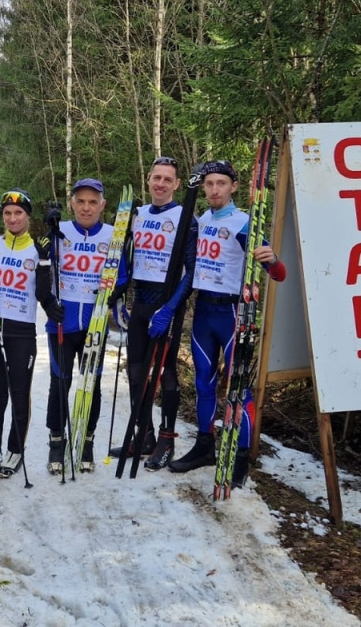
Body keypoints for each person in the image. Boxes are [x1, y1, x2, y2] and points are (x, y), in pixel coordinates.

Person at [167, 160, 285, 485]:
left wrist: (272, 261)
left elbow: (277, 273)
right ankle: (205, 447)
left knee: (238, 390)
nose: (215, 189)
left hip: (233, 313)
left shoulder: (243, 222)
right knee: (204, 384)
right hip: (203, 310)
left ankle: (241, 458)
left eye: (221, 183)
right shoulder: (202, 220)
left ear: (233, 187)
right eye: (209, 184)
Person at [0, 189, 64, 477]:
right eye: (8, 213)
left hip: (22, 330)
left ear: (27, 216)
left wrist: (47, 263)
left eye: (18, 213)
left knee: (19, 393)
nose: (13, 218)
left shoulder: (37, 248)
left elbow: (41, 292)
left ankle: (15, 450)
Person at [120, 156, 197, 471]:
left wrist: (169, 309)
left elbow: (192, 272)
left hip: (168, 303)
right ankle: (145, 436)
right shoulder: (136, 215)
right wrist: (117, 295)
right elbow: (123, 256)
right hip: (140, 301)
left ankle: (167, 441)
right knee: (135, 371)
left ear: (176, 184)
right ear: (148, 179)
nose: (161, 184)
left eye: (168, 179)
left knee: (165, 373)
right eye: (156, 178)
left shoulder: (186, 217)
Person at [43, 178, 115, 474]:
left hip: (95, 324)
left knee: (92, 386)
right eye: (81, 201)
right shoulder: (60, 231)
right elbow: (41, 271)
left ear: (103, 205)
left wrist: (112, 293)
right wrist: (48, 303)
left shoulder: (114, 235)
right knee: (60, 383)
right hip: (62, 322)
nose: (87, 207)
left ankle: (86, 441)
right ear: (72, 203)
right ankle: (56, 443)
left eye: (93, 202)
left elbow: (122, 276)